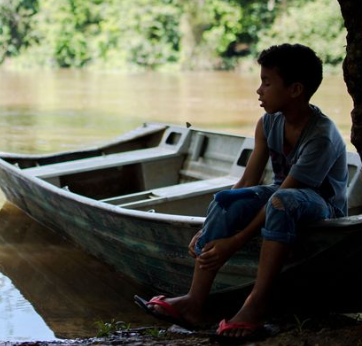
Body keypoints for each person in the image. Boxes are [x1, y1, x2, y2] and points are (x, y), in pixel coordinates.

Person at [135, 43, 348, 340]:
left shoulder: (321, 136)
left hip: (323, 208)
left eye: (267, 82)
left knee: (281, 202)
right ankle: (194, 303)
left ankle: (256, 306)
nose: (259, 90)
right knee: (227, 199)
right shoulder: (268, 123)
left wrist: (233, 242)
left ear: (295, 89)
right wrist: (208, 227)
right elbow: (246, 182)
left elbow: (283, 195)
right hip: (282, 197)